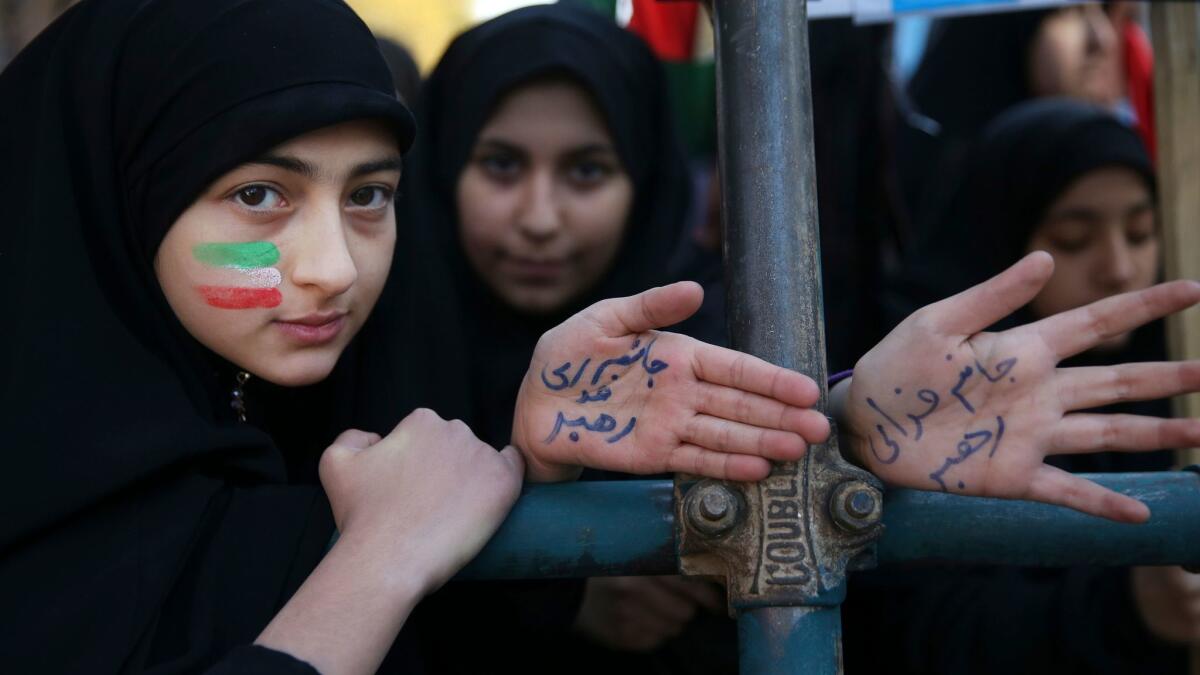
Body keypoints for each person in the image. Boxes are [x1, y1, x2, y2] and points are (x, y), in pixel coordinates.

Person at [0, 0, 838, 672]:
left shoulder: (287, 424)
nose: (332, 267)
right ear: (120, 194)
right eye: (260, 195)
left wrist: (532, 475)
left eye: (369, 195)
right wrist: (379, 559)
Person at [843, 98, 1195, 674]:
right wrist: (1125, 611)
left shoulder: (1177, 364)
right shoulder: (916, 395)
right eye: (1074, 238)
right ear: (996, 237)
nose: (1119, 267)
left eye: (1141, 231)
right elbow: (912, 634)